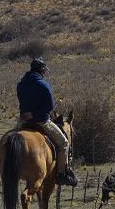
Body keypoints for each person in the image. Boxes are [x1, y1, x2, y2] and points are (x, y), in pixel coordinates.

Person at [16, 57, 78, 187]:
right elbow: (50, 106)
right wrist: (36, 114)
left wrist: (27, 113)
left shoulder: (21, 84)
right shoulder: (44, 85)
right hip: (41, 121)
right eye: (44, 70)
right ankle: (61, 174)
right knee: (64, 143)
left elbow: (22, 102)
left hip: (23, 121)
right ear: (42, 70)